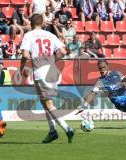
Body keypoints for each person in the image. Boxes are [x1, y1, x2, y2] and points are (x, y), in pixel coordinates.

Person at [20, 14, 74, 144]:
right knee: (45, 103)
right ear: (42, 22)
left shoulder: (28, 35)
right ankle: (52, 131)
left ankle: (67, 128)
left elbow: (25, 55)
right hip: (52, 71)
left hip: (40, 72)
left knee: (48, 104)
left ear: (31, 23)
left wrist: (22, 68)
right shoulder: (50, 35)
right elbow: (63, 52)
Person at [75, 59, 126, 128]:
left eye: (104, 67)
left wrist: (125, 84)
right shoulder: (100, 82)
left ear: (107, 66)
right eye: (100, 68)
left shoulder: (117, 73)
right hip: (118, 101)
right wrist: (84, 106)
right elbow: (92, 93)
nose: (102, 70)